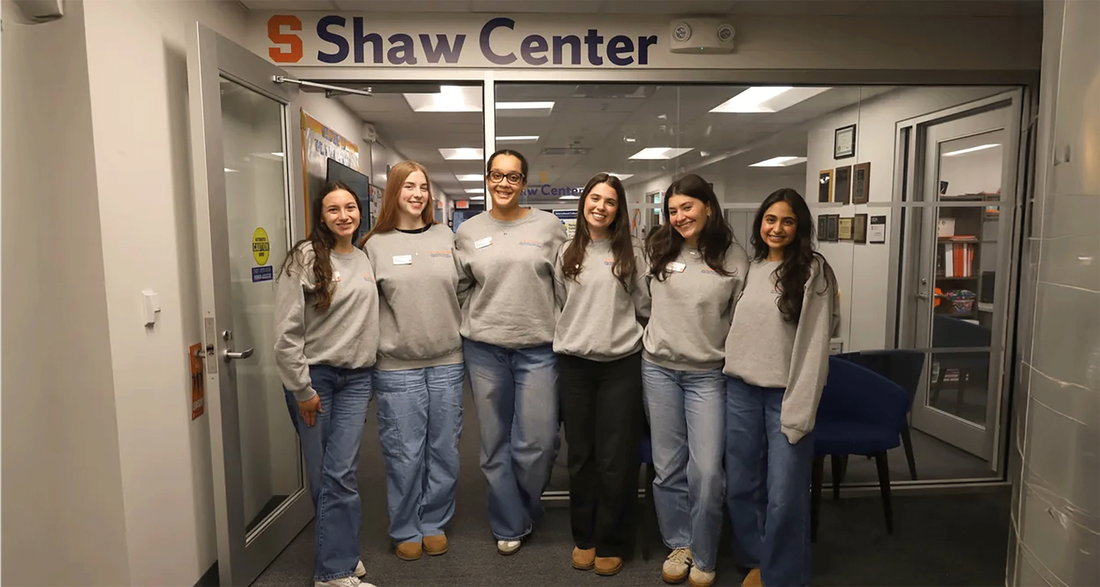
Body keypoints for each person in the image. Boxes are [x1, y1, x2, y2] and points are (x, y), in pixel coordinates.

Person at [454, 149, 568, 555]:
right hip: (485, 350)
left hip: (539, 349)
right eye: (497, 175)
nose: (504, 183)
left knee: (536, 444)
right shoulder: (468, 232)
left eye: (513, 177)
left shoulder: (550, 227)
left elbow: (564, 287)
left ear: (524, 183)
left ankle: (524, 503)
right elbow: (461, 286)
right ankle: (509, 521)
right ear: (487, 179)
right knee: (493, 442)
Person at [723, 188, 837, 587]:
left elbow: (816, 345)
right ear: (759, 224)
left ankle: (783, 575)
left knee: (784, 492)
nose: (777, 228)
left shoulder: (813, 272)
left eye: (787, 221)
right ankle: (755, 560)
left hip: (784, 395)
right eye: (770, 220)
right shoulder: (751, 267)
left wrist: (801, 408)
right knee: (741, 484)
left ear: (800, 226)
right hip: (739, 390)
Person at [642, 174, 749, 587]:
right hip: (658, 370)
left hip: (708, 376)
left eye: (687, 207)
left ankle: (705, 552)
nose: (680, 216)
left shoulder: (734, 258)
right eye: (672, 210)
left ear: (708, 206)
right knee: (667, 467)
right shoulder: (658, 248)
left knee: (706, 471)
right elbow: (642, 302)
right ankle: (680, 543)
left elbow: (743, 321)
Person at [274, 182, 379, 587]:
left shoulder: (365, 258)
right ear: (321, 216)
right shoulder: (305, 257)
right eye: (333, 209)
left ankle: (341, 555)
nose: (343, 215)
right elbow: (286, 331)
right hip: (315, 380)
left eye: (350, 207)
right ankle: (333, 572)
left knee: (342, 473)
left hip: (356, 379)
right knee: (328, 475)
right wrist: (302, 389)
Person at [360, 161, 464, 562]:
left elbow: (466, 287)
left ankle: (434, 521)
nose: (418, 194)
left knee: (444, 449)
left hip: (448, 362)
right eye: (409, 187)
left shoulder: (446, 236)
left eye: (423, 186)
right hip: (396, 367)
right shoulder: (374, 244)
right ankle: (405, 526)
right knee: (404, 452)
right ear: (394, 193)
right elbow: (364, 306)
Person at [552, 173, 650, 576]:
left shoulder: (633, 254)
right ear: (583, 203)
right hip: (575, 365)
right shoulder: (565, 253)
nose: (601, 207)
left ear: (618, 209)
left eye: (610, 201)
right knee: (581, 456)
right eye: (595, 198)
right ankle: (585, 536)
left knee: (616, 458)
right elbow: (560, 303)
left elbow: (644, 307)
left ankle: (613, 540)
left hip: (620, 366)